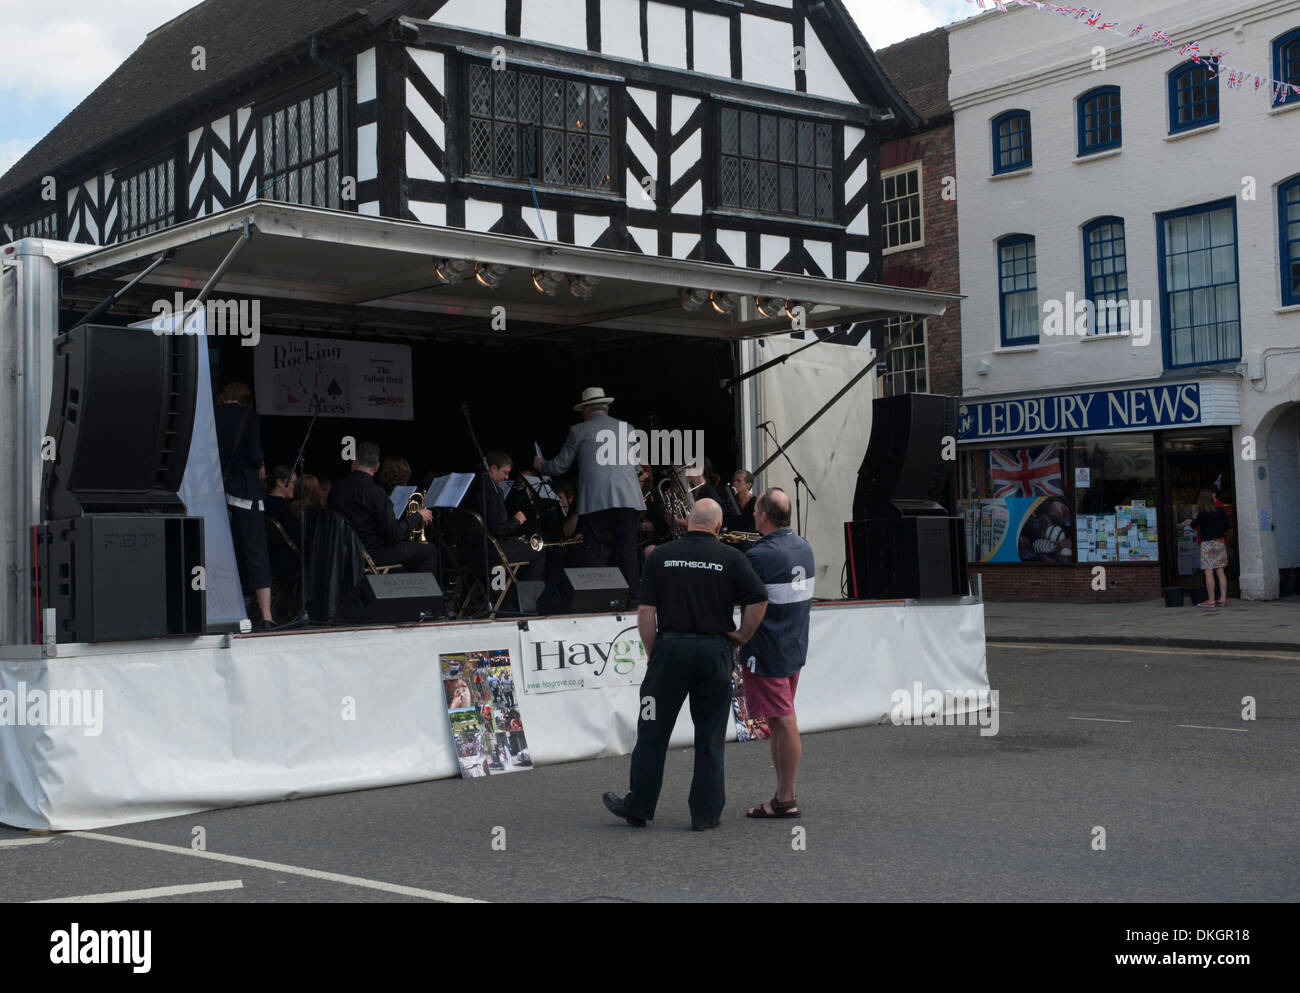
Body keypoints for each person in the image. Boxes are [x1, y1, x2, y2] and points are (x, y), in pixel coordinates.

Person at [602, 499, 768, 831]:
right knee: (710, 736)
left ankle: (639, 806)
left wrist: (654, 654)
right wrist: (740, 636)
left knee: (652, 732)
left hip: (670, 650)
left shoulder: (660, 556)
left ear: (687, 522)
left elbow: (646, 613)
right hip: (714, 652)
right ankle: (705, 815)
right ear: (719, 526)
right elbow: (758, 598)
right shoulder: (732, 558)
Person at [740, 488, 815, 818]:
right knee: (780, 719)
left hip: (769, 649)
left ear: (764, 516)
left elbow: (743, 597)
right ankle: (784, 792)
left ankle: (786, 798)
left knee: (784, 722)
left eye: (756, 511)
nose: (754, 515)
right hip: (794, 644)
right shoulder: (805, 547)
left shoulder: (758, 556)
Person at [535, 387, 645, 593]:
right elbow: (637, 467)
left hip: (596, 500)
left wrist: (541, 465)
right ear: (606, 408)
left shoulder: (579, 430)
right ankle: (632, 600)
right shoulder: (628, 428)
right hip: (628, 498)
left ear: (585, 411)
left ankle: (600, 599)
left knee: (595, 551)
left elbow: (560, 466)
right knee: (627, 552)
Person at [214, 382, 273, 629]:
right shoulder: (249, 417)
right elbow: (254, 453)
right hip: (245, 492)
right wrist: (261, 463)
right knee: (256, 552)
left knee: (223, 553)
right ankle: (266, 615)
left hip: (216, 491)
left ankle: (225, 608)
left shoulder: (211, 414)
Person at [329, 441, 438, 574]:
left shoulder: (336, 488)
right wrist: (418, 516)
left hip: (342, 554)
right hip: (372, 555)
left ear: (354, 462)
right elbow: (394, 533)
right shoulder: (375, 493)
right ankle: (419, 594)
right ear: (377, 467)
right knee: (429, 551)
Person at [476, 450, 545, 581]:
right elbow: (499, 530)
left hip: (470, 550)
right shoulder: (495, 491)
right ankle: (528, 598)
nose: (507, 477)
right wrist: (517, 520)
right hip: (491, 551)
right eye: (505, 472)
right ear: (493, 468)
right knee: (539, 551)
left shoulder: (470, 486)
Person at [1184, 489, 1230, 608]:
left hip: (1208, 544)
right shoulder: (1220, 510)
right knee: (1220, 570)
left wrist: (1190, 522)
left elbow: (1194, 525)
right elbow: (1227, 525)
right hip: (1220, 542)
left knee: (1208, 571)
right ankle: (1223, 599)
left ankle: (1211, 600)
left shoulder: (1202, 512)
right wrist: (1219, 530)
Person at [263, 465, 297, 531]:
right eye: (293, 483)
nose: (296, 486)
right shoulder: (288, 509)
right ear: (280, 482)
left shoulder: (261, 503)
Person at [724, 470, 757, 534]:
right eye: (733, 480)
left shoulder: (756, 503)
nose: (734, 483)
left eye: (738, 481)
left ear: (748, 484)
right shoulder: (729, 501)